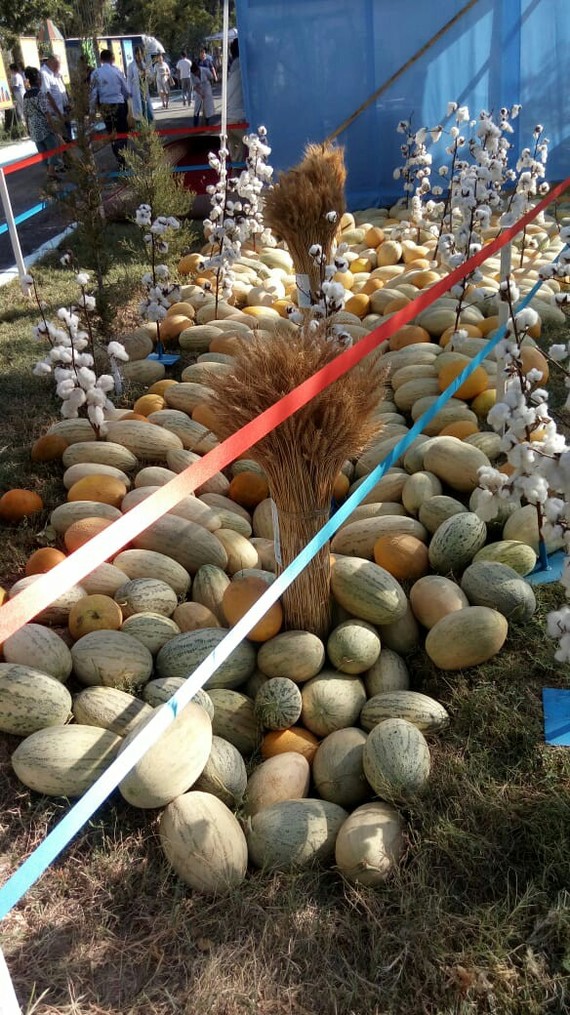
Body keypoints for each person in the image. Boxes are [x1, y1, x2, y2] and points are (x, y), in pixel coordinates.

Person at [90, 49, 131, 168]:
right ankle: (124, 156)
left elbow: (93, 94)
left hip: (106, 106)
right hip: (119, 104)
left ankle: (119, 159)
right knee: (122, 132)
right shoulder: (117, 71)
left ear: (101, 59)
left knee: (111, 133)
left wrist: (92, 111)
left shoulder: (96, 73)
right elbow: (127, 91)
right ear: (112, 58)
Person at [23, 66, 65, 179]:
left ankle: (49, 172)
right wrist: (52, 126)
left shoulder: (25, 95)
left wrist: (28, 128)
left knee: (42, 151)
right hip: (43, 125)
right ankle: (51, 172)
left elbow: (25, 113)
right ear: (37, 79)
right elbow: (45, 112)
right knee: (53, 148)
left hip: (33, 125)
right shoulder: (39, 93)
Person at [40, 55, 72, 140]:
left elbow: (63, 89)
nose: (58, 67)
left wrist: (69, 101)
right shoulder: (44, 74)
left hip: (65, 109)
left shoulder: (56, 73)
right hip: (56, 112)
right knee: (63, 138)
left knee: (69, 136)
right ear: (50, 62)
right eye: (57, 65)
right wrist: (58, 113)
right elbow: (48, 95)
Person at [226, 38, 245, 163]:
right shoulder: (244, 70)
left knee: (236, 161)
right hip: (239, 118)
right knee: (259, 148)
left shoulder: (232, 72)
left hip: (227, 119)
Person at [127, 45, 153, 123]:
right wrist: (129, 91)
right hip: (136, 91)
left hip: (144, 90)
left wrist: (147, 74)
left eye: (141, 54)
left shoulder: (145, 65)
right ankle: (141, 128)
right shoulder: (131, 66)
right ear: (135, 55)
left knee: (147, 109)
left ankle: (149, 126)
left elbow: (150, 79)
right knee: (138, 111)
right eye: (138, 54)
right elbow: (129, 79)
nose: (140, 56)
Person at [190, 60, 214, 127]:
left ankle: (207, 122)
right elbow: (194, 87)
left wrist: (207, 83)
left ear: (198, 70)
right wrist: (200, 94)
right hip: (198, 89)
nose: (195, 75)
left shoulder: (205, 70)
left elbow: (211, 77)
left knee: (207, 106)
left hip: (206, 87)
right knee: (197, 107)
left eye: (196, 73)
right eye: (194, 74)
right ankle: (195, 125)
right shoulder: (191, 74)